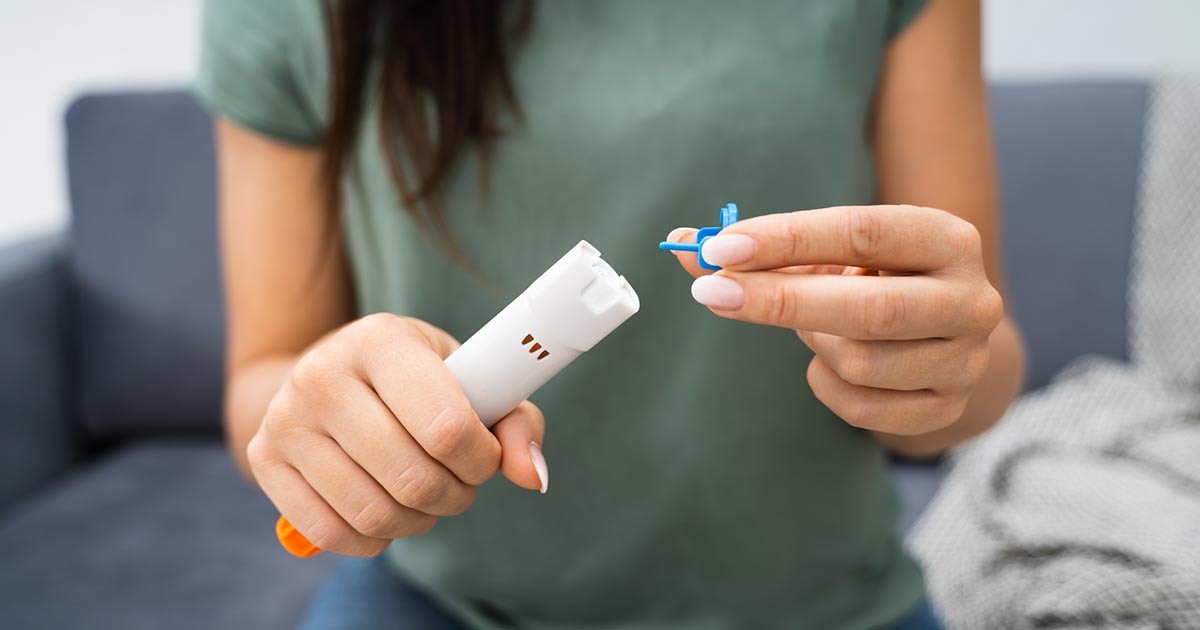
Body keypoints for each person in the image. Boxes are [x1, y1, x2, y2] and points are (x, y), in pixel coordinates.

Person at [197, 0, 1025, 627]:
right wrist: (328, 422)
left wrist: (929, 367)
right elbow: (262, 378)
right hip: (441, 602)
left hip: (825, 607)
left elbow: (977, 377)